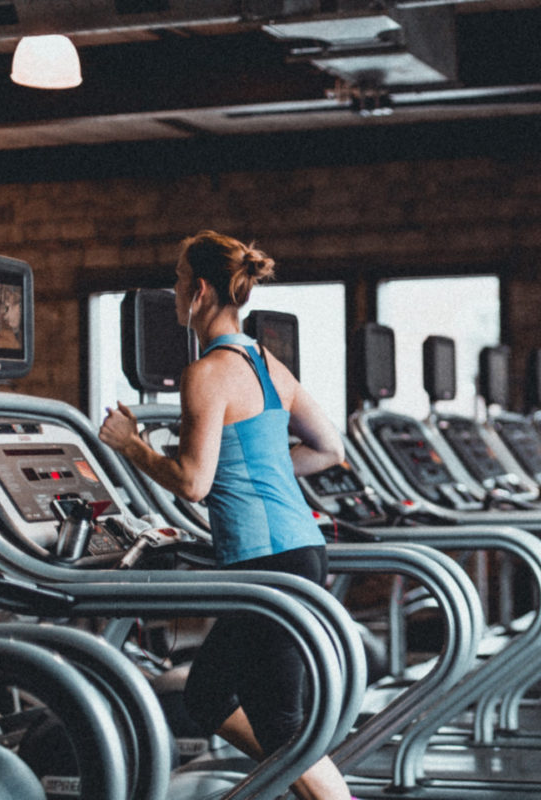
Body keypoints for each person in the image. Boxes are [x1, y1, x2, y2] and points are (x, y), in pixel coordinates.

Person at [99, 230, 353, 800]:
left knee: (283, 724)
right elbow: (330, 449)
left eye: (178, 278)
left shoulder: (207, 373)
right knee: (209, 697)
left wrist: (131, 445)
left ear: (201, 290)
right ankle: (294, 778)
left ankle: (314, 783)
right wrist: (265, 472)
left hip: (270, 563)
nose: (173, 288)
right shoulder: (267, 364)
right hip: (300, 549)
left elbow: (193, 481)